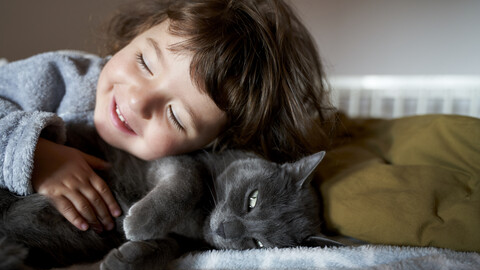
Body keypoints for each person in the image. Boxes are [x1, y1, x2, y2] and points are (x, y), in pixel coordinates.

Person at [0, 0, 332, 233]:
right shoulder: (60, 76)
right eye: (144, 62)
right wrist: (34, 154)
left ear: (212, 145)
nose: (137, 100)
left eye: (175, 116)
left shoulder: (183, 176)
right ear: (136, 33)